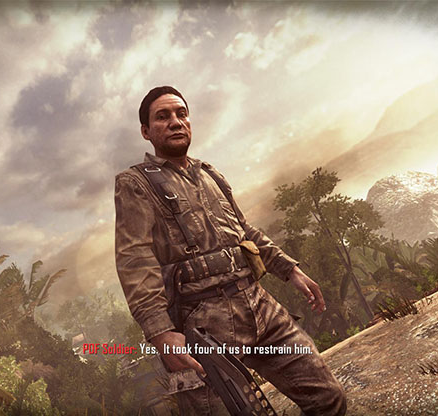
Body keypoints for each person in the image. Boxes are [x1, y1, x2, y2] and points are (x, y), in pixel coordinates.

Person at [115, 86, 346, 415]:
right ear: (146, 131)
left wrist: (290, 270)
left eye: (182, 114)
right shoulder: (135, 182)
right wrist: (161, 333)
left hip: (259, 305)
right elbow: (135, 260)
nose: (176, 121)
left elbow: (244, 231)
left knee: (328, 398)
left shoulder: (210, 174)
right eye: (163, 117)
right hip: (202, 322)